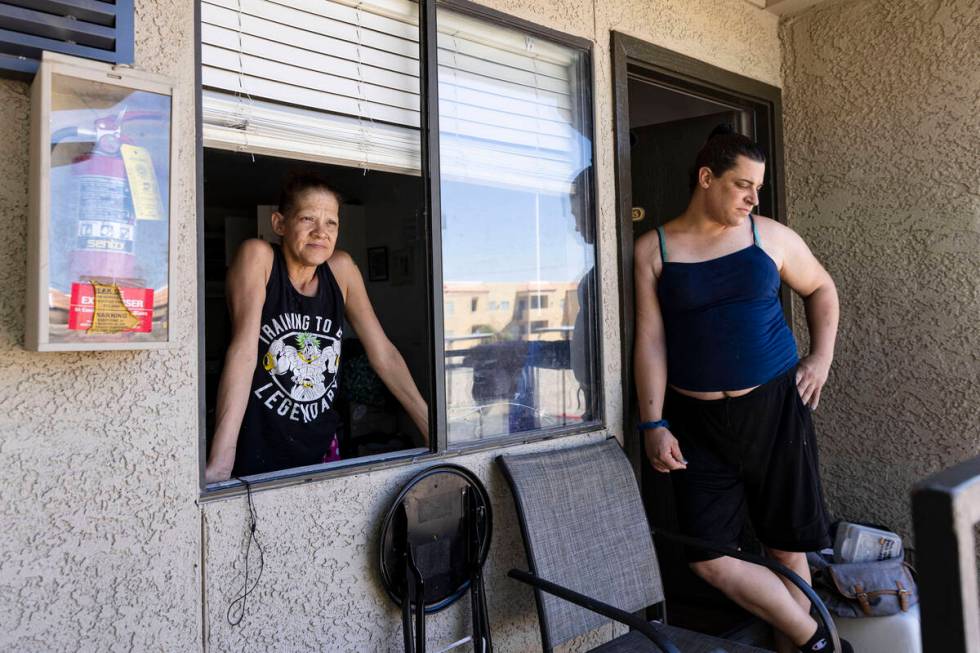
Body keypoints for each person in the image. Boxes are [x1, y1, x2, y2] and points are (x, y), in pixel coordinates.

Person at [633, 125, 848, 653]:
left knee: (787, 549)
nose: (753, 197)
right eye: (742, 184)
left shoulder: (769, 236)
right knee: (708, 555)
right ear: (707, 178)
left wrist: (821, 357)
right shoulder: (653, 249)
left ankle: (797, 646)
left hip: (776, 409)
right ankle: (817, 640)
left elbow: (821, 287)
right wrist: (653, 423)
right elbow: (651, 340)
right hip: (696, 424)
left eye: (758, 187)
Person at [205, 171, 428, 482]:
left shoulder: (341, 270)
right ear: (279, 224)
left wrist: (432, 430)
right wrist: (221, 462)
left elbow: (384, 355)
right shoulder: (259, 258)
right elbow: (243, 353)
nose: (321, 232)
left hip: (321, 446)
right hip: (257, 444)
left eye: (331, 223)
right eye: (308, 218)